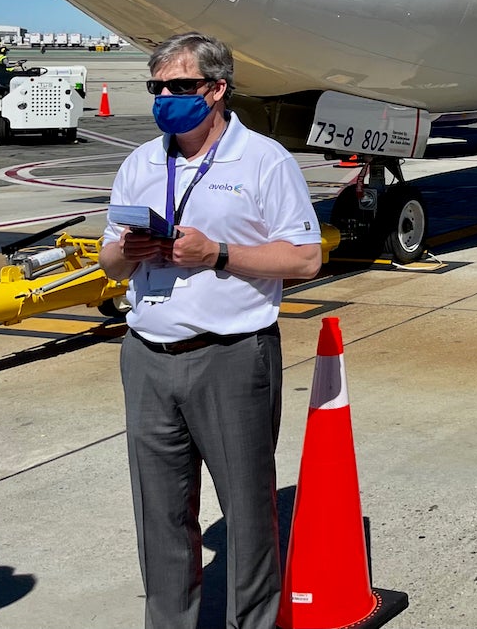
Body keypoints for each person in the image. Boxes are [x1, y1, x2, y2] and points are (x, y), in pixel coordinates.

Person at [100, 32, 322, 629]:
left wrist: (216, 253)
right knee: (160, 515)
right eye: (157, 87)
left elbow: (305, 259)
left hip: (230, 356)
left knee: (247, 514)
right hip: (147, 355)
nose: (165, 98)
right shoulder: (141, 162)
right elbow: (110, 263)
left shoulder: (264, 160)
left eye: (180, 86)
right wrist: (126, 251)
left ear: (217, 89)